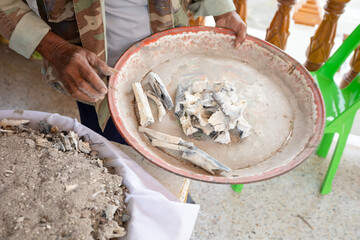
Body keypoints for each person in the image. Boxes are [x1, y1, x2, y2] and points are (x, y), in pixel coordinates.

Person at [0, 0, 247, 144]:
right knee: (112, 149)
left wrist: (223, 10)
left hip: (171, 55)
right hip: (94, 67)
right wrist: (55, 49)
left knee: (179, 134)